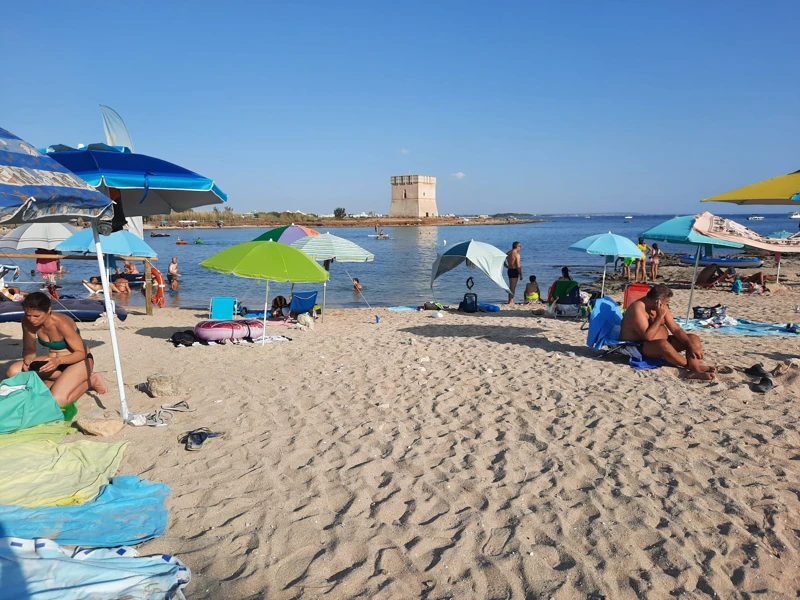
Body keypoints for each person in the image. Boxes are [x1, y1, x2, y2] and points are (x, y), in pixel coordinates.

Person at [5, 292, 107, 406]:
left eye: (36, 316)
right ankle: (58, 380)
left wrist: (58, 361)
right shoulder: (27, 322)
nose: (32, 319)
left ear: (48, 310)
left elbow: (81, 352)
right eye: (28, 315)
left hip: (79, 361)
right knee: (12, 372)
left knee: (57, 401)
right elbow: (29, 349)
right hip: (53, 362)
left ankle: (91, 381)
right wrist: (28, 360)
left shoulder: (61, 323)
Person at [620, 284, 716, 380]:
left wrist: (690, 345)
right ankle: (693, 368)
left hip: (660, 342)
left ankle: (695, 369)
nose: (667, 305)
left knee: (693, 338)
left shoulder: (662, 307)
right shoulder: (638, 308)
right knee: (663, 344)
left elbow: (675, 329)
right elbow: (648, 337)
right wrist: (659, 317)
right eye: (666, 303)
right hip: (638, 346)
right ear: (656, 302)